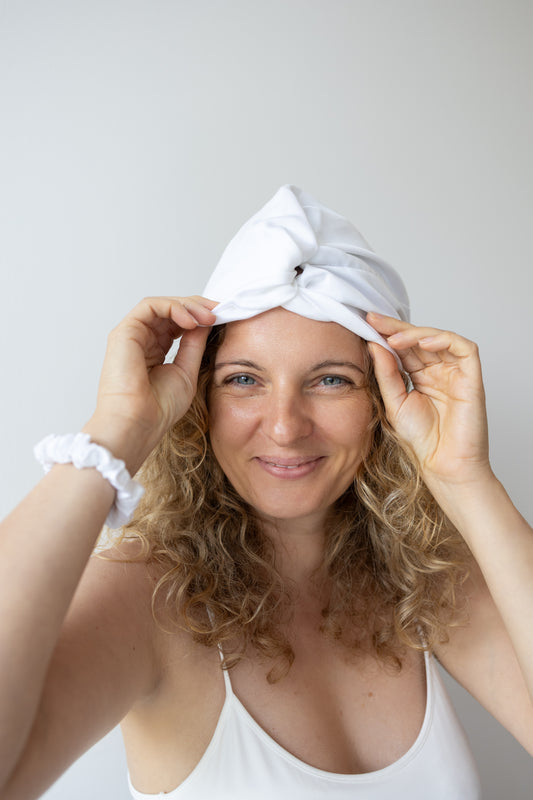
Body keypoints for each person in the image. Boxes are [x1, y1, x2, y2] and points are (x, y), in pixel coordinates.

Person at [0, 186, 532, 800]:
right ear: (200, 401)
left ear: (384, 404)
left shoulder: (421, 581)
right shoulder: (149, 595)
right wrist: (117, 429)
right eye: (244, 380)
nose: (284, 426)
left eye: (331, 380)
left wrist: (466, 477)